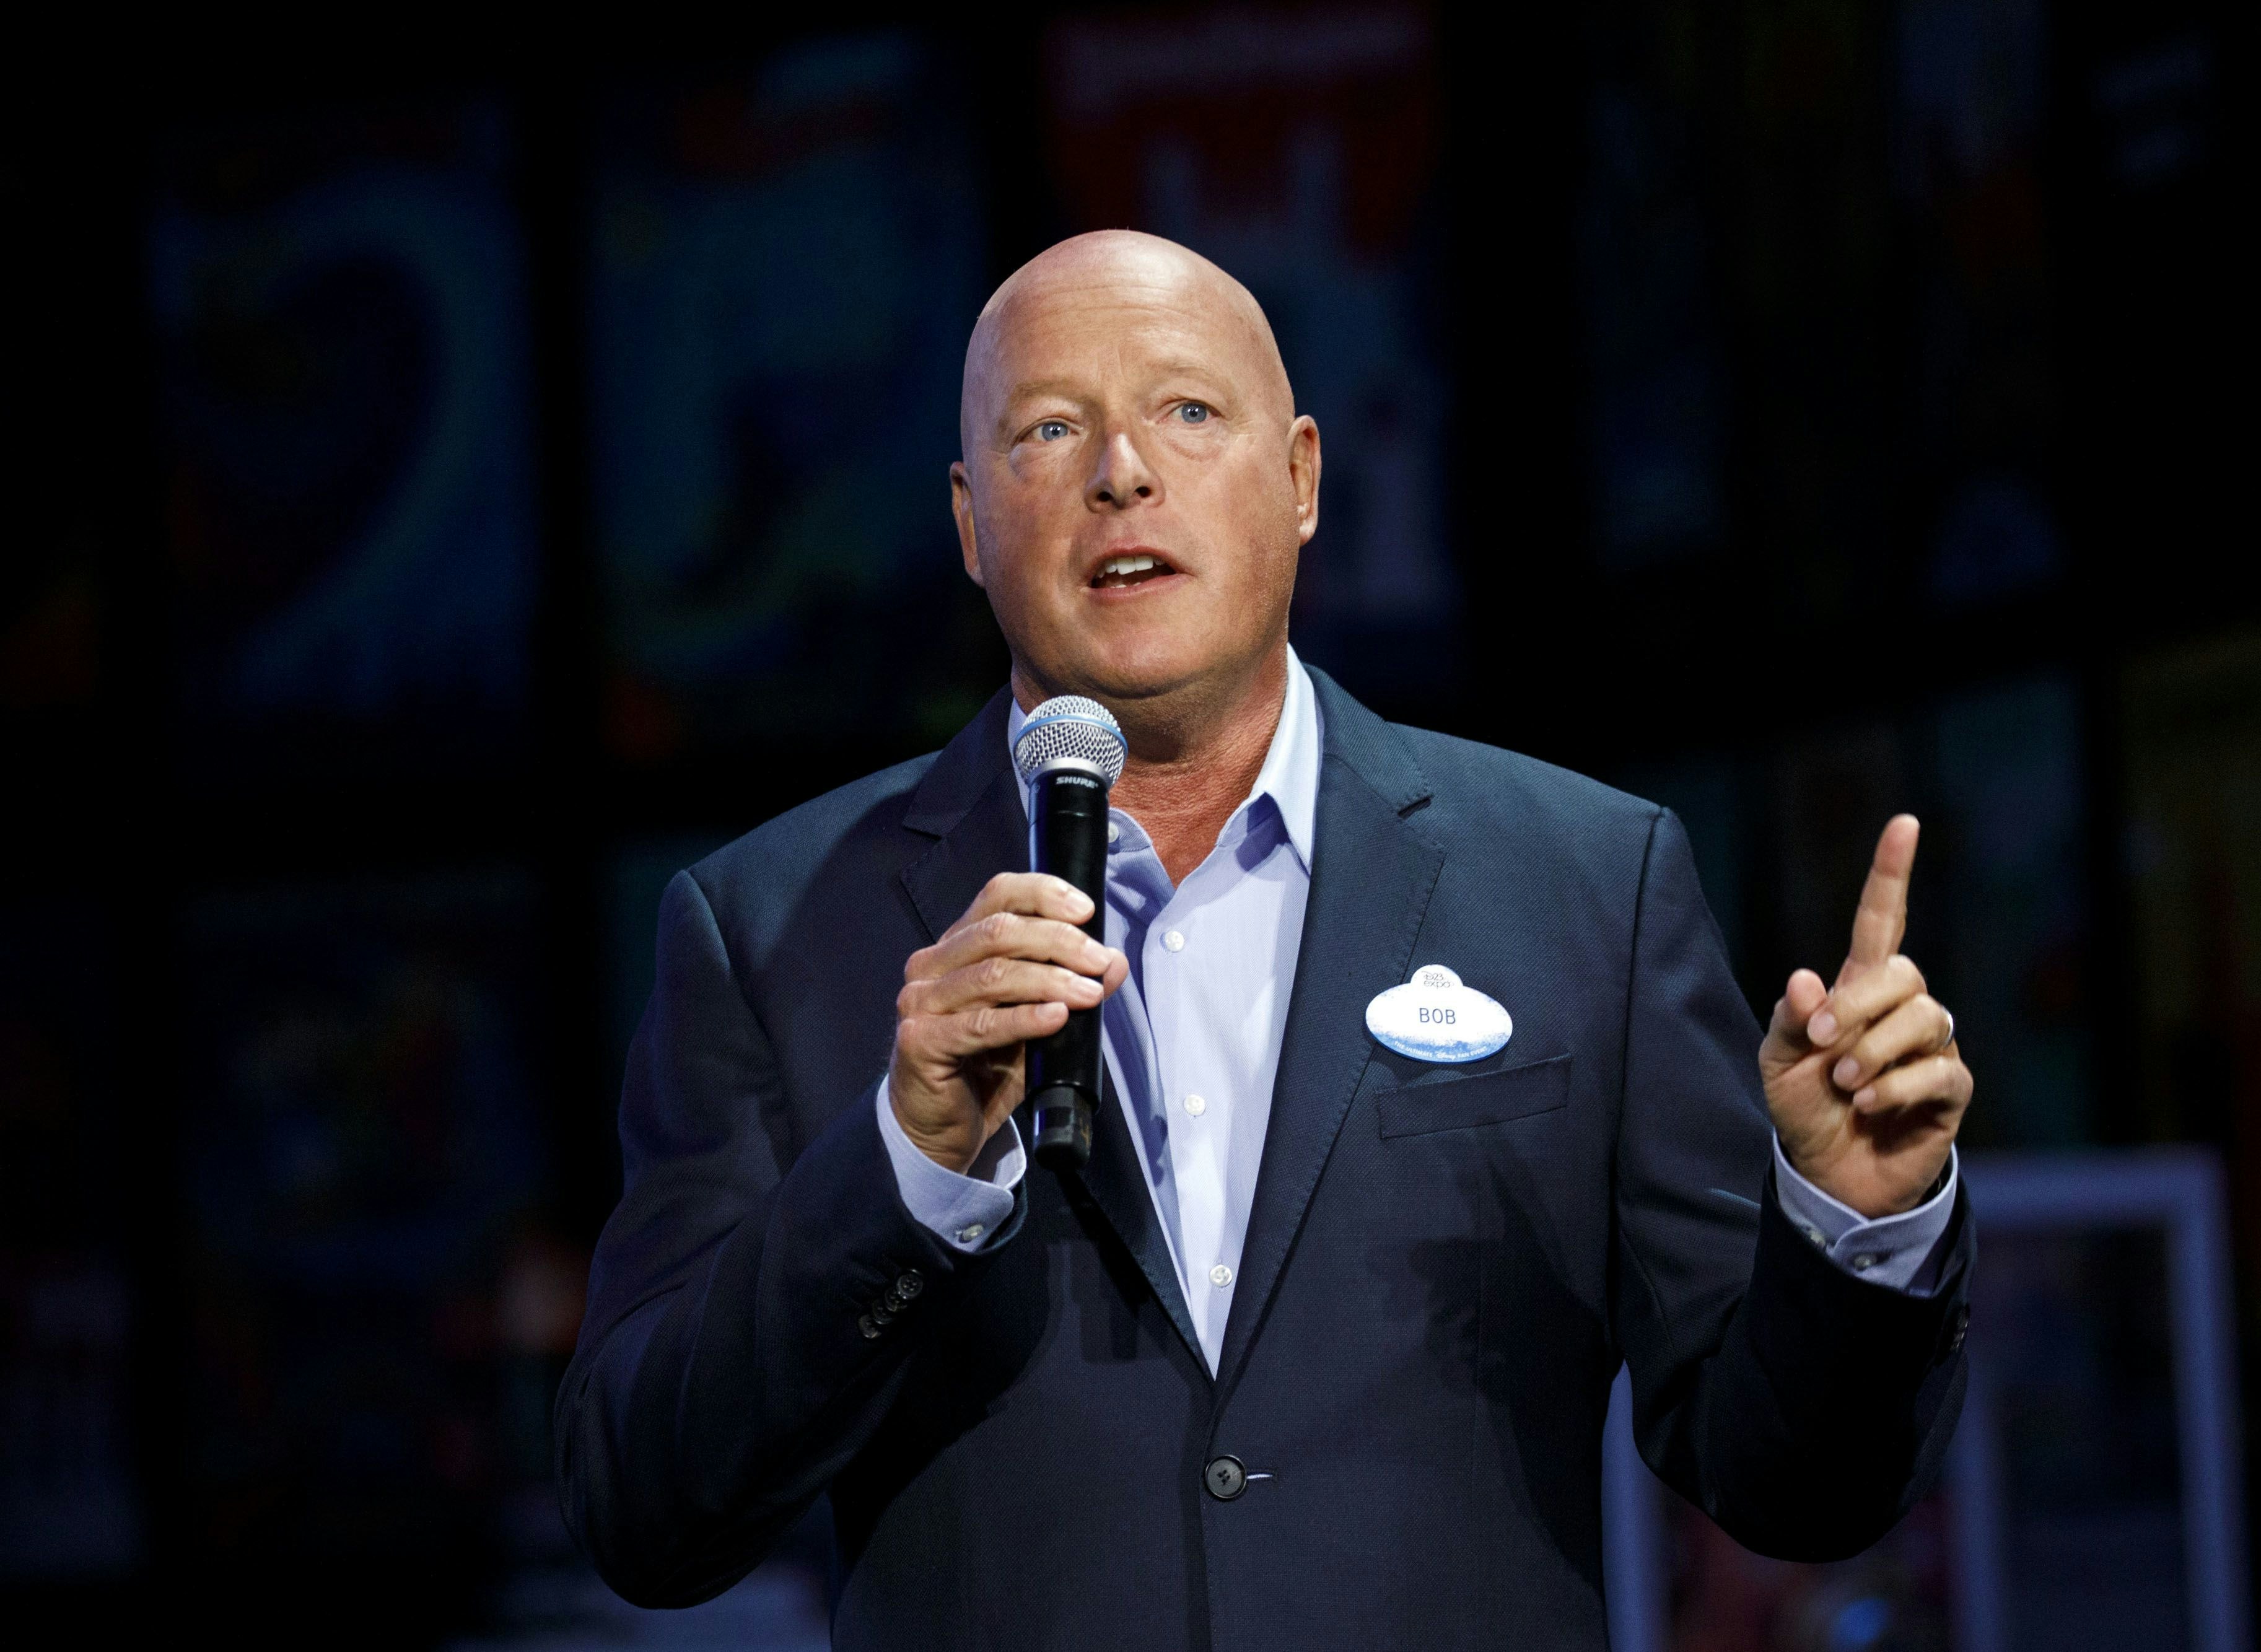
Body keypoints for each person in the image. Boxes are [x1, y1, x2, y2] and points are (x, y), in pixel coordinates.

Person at [555, 231, 1976, 1651]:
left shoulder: (1584, 883)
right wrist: (900, 1171)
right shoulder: (771, 927)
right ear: (971, 522)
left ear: (1299, 477)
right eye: (1050, 428)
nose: (1121, 469)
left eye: (1185, 410)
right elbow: (645, 1507)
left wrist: (1852, 1224)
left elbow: (1791, 1483)